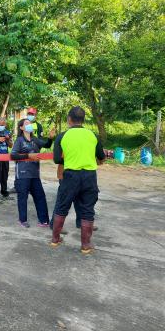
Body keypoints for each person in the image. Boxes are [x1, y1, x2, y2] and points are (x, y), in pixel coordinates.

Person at [50, 106, 105, 254]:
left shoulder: (62, 136)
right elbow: (101, 157)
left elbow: (56, 159)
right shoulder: (93, 135)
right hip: (89, 176)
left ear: (69, 119)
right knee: (87, 210)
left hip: (70, 176)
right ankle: (85, 246)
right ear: (83, 120)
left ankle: (55, 239)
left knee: (62, 207)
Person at [11, 118, 55, 228]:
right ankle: (22, 220)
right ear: (21, 127)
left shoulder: (35, 139)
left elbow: (47, 145)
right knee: (23, 197)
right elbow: (13, 155)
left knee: (40, 196)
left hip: (34, 173)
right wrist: (27, 156)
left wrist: (50, 138)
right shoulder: (19, 140)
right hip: (22, 174)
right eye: (26, 123)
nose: (29, 125)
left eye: (30, 123)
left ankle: (44, 220)